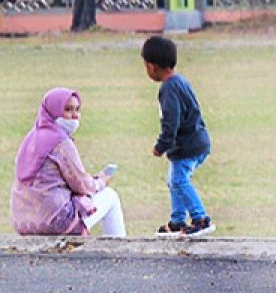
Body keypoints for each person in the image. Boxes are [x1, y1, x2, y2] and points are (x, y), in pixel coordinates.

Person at [10, 88, 125, 237]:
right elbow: (81, 185)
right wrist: (101, 182)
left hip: (23, 221)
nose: (75, 115)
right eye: (68, 110)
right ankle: (119, 251)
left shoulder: (31, 138)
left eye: (77, 109)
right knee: (110, 196)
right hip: (54, 221)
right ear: (53, 111)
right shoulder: (61, 142)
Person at [142, 36, 214, 237]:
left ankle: (200, 218)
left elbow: (171, 121)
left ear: (152, 66)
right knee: (175, 180)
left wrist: (161, 145)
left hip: (186, 146)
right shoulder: (181, 81)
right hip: (199, 141)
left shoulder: (168, 88)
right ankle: (177, 221)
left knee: (179, 180)